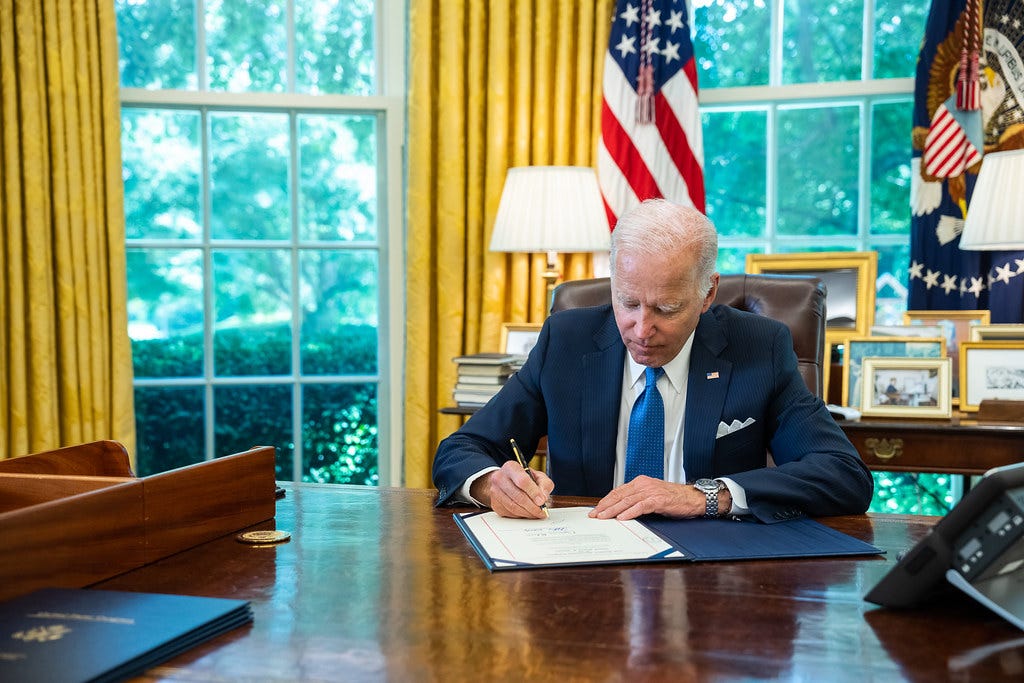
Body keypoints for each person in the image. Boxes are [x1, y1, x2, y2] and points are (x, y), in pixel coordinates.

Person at [432, 199, 874, 522]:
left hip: (714, 579)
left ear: (708, 293)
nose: (641, 329)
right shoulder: (567, 341)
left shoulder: (758, 346)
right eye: (628, 303)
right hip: (583, 571)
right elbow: (461, 449)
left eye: (666, 309)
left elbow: (843, 474)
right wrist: (492, 484)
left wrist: (704, 496)